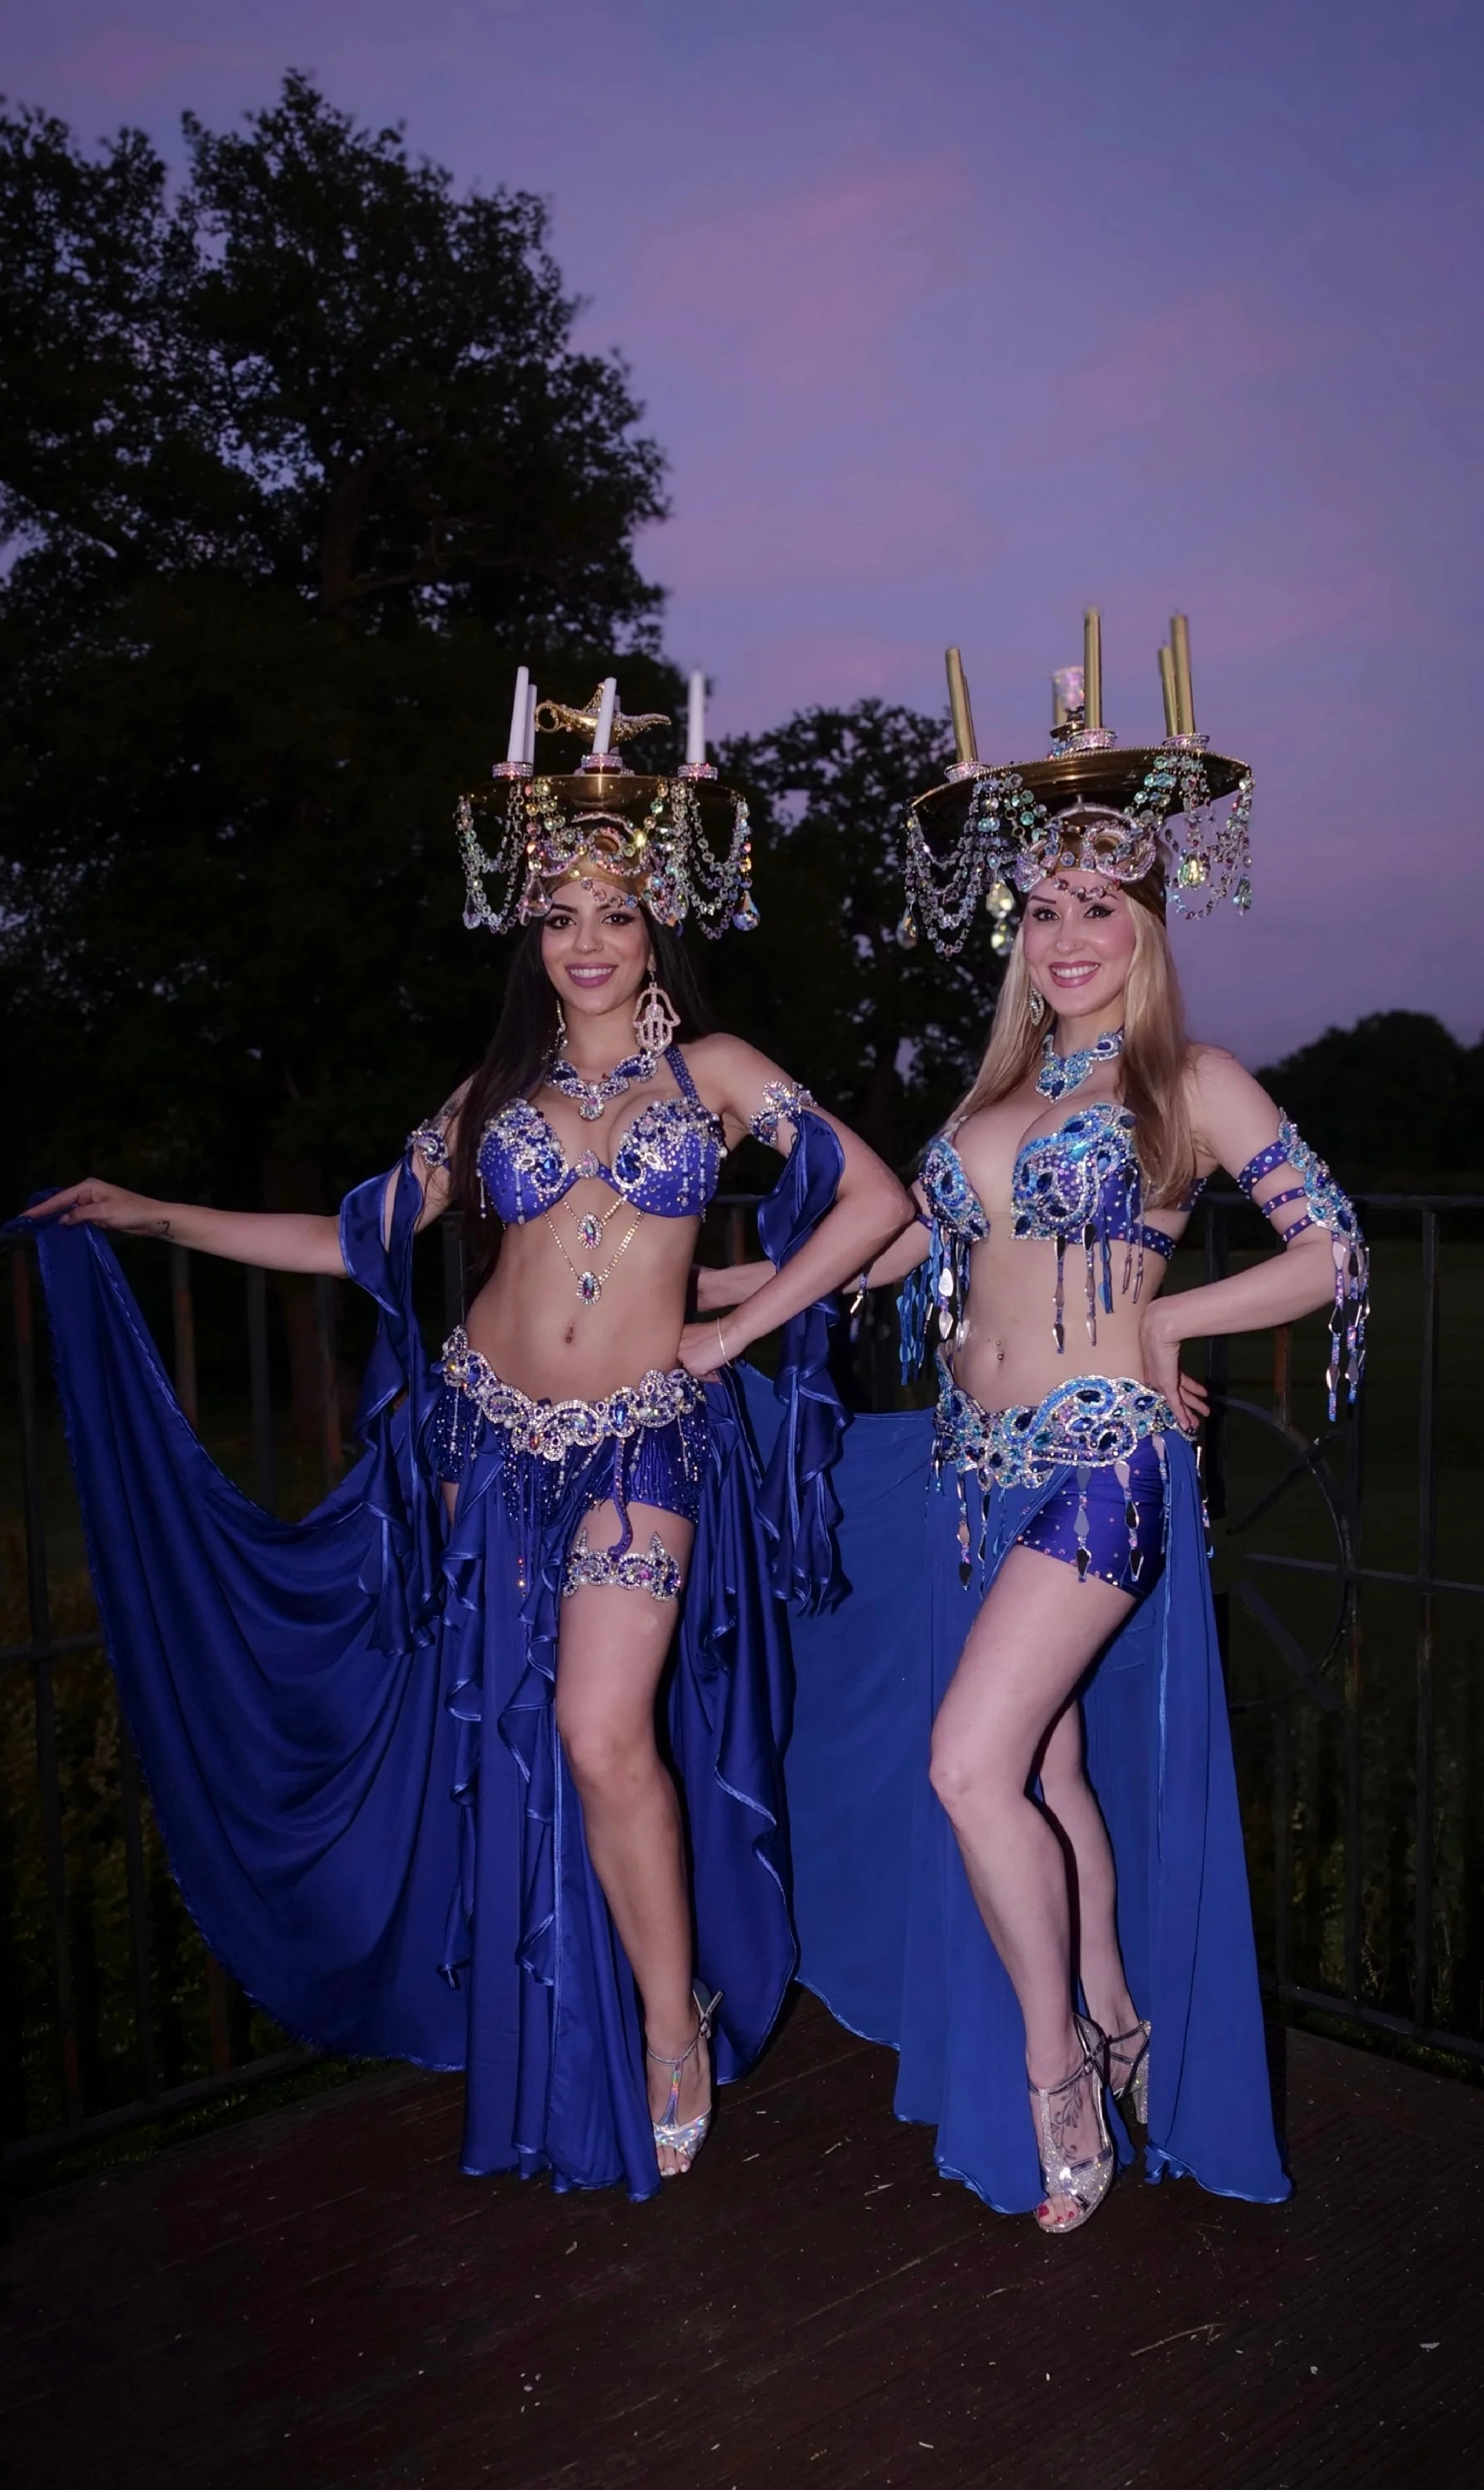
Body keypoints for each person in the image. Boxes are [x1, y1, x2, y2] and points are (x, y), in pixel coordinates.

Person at [20, 687, 911, 2196]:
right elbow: (354, 1234)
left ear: (656, 927)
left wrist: (728, 1328)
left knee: (598, 1730)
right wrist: (155, 1212)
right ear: (528, 927)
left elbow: (876, 1209)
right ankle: (535, 2005)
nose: (583, 937)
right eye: (557, 909)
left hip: (645, 1442)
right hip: (484, 1439)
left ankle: (666, 2025)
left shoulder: (722, 1074)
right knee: (499, 1738)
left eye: (614, 910)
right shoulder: (491, 1089)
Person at [716, 643, 1366, 2229]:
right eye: (1047, 909)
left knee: (966, 1764)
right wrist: (710, 1295)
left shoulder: (1190, 1082)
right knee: (1049, 1766)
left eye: (1101, 910)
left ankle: (1054, 2064)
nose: (1068, 937)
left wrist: (1161, 1330)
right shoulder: (985, 1102)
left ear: (1144, 924)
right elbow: (894, 1259)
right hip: (965, 1472)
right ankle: (1124, 2013)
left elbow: (1327, 1250)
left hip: (1100, 1465)